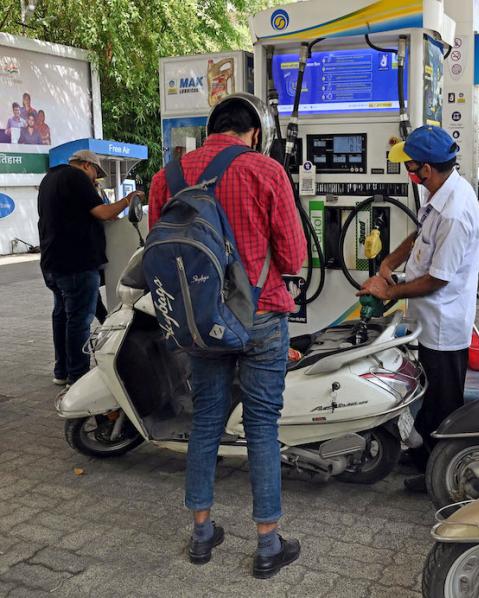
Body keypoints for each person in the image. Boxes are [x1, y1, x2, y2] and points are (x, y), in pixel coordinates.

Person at [148, 93, 306, 579]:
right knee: (261, 425)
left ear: (210, 127)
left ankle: (201, 532)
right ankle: (266, 542)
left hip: (199, 321)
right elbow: (294, 257)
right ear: (254, 132)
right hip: (260, 316)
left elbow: (161, 252)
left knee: (206, 420)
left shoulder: (166, 177)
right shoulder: (264, 170)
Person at [357, 125, 479, 493]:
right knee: (426, 393)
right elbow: (418, 235)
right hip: (427, 319)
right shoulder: (440, 195)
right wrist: (387, 264)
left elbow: (437, 280)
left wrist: (388, 292)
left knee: (445, 404)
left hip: (445, 324)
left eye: (410, 166)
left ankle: (440, 475)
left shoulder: (456, 212)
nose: (408, 173)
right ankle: (422, 456)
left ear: (425, 170)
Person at [38, 150, 142, 385]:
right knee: (79, 321)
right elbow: (103, 213)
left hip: (53, 262)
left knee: (62, 316)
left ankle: (61, 371)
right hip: (77, 263)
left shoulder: (50, 179)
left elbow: (78, 215)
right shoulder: (76, 178)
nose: (96, 179)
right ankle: (78, 376)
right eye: (96, 172)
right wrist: (129, 199)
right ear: (86, 165)